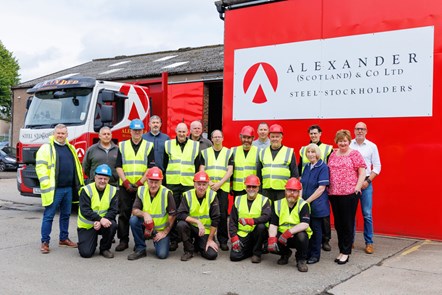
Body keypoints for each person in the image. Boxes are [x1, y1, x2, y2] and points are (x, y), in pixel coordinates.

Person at [36, 124, 84, 254]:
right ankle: (45, 242)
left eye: (63, 133)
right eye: (58, 133)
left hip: (68, 189)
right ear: (54, 133)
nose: (61, 135)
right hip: (54, 189)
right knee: (49, 216)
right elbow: (40, 168)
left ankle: (63, 238)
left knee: (66, 215)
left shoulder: (71, 148)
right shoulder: (46, 148)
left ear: (67, 134)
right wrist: (46, 183)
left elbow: (77, 167)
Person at [115, 119, 155, 252]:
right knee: (124, 213)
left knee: (141, 213)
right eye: (134, 130)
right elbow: (118, 166)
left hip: (141, 186)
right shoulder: (122, 145)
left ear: (143, 131)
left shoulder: (149, 145)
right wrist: (126, 182)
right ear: (130, 131)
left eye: (139, 130)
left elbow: (150, 167)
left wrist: (139, 183)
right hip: (125, 186)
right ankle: (123, 240)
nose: (137, 133)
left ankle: (140, 240)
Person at [328, 129, 366, 265]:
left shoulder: (355, 154)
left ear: (349, 141)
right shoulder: (332, 154)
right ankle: (341, 250)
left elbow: (362, 172)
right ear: (336, 141)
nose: (342, 143)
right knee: (338, 224)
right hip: (334, 194)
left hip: (349, 194)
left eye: (345, 140)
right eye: (340, 141)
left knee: (347, 223)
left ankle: (346, 252)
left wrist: (357, 187)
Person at [164, 122, 201, 251]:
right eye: (179, 131)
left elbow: (198, 165)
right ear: (176, 132)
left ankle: (189, 239)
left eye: (184, 132)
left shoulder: (195, 146)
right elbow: (165, 164)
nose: (181, 134)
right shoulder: (168, 145)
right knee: (172, 212)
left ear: (187, 132)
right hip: (173, 183)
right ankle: (173, 239)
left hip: (188, 183)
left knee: (189, 212)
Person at [127, 167, 176, 260]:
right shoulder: (141, 190)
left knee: (162, 254)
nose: (153, 185)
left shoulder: (166, 193)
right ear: (147, 181)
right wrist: (145, 214)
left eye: (156, 182)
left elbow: (172, 215)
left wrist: (164, 232)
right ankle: (140, 248)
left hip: (160, 230)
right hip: (146, 226)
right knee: (133, 220)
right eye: (151, 181)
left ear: (161, 182)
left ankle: (161, 241)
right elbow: (134, 210)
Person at [299, 124, 333, 252]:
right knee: (312, 219)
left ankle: (325, 240)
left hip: (320, 185)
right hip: (308, 183)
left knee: (323, 217)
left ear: (320, 134)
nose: (313, 135)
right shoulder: (303, 149)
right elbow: (299, 167)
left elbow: (330, 167)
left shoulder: (327, 148)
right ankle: (313, 242)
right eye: (311, 133)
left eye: (315, 133)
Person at [267, 178, 312, 272]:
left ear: (299, 192)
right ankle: (285, 254)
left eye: (294, 191)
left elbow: (305, 224)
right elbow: (273, 224)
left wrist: (289, 232)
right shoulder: (277, 204)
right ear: (285, 191)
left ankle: (301, 260)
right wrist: (272, 238)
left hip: (296, 235)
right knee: (270, 240)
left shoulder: (303, 204)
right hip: (282, 236)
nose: (291, 193)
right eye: (289, 190)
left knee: (302, 236)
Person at [350, 122, 381, 254]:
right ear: (354, 131)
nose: (360, 131)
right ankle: (349, 241)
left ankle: (369, 242)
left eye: (362, 129)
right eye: (357, 129)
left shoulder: (372, 146)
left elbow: (378, 166)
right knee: (350, 214)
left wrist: (367, 181)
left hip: (366, 184)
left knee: (367, 214)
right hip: (351, 183)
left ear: (366, 131)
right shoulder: (349, 144)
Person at [200, 130, 233, 251]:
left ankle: (223, 240)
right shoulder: (205, 153)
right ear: (211, 139)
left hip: (222, 187)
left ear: (223, 138)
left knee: (223, 214)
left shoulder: (229, 152)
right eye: (215, 137)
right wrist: (210, 183)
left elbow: (230, 171)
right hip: (208, 188)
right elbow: (202, 169)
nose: (217, 139)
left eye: (219, 137)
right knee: (209, 213)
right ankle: (210, 237)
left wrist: (219, 184)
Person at [176, 171, 220, 261]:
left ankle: (198, 244)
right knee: (181, 225)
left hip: (205, 231)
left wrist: (210, 239)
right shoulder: (188, 195)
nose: (201, 187)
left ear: (208, 185)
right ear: (194, 184)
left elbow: (216, 219)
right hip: (192, 227)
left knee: (212, 255)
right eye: (199, 184)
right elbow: (180, 214)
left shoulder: (212, 196)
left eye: (204, 184)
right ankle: (189, 251)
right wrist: (197, 222)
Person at [77, 164, 118, 258]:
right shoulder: (86, 190)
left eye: (105, 179)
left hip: (103, 223)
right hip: (87, 225)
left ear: (108, 179)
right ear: (95, 177)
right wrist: (100, 219)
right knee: (86, 253)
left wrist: (103, 220)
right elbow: (85, 210)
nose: (102, 181)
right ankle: (88, 242)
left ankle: (104, 248)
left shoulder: (113, 190)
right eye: (100, 178)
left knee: (113, 225)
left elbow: (114, 210)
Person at [229, 175, 271, 263]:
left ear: (258, 188)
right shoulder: (238, 199)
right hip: (243, 234)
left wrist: (252, 221)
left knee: (261, 227)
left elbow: (266, 216)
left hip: (257, 233)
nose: (251, 189)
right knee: (234, 257)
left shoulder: (264, 200)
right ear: (245, 187)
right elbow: (232, 220)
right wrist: (234, 237)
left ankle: (256, 254)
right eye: (249, 186)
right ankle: (252, 249)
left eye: (254, 186)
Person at [300, 144, 330, 264]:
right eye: (308, 152)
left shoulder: (323, 167)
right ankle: (307, 253)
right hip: (306, 203)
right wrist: (301, 199)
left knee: (316, 230)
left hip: (317, 204)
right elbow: (302, 184)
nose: (311, 154)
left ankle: (315, 255)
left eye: (313, 152)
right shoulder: (306, 166)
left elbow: (321, 188)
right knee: (307, 228)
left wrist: (307, 201)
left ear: (317, 153)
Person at [258, 124, 299, 203]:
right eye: (273, 137)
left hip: (283, 191)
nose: (275, 139)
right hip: (266, 191)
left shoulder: (289, 152)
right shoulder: (262, 152)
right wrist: (259, 192)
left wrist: (292, 192)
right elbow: (259, 174)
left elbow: (294, 175)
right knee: (267, 214)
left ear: (281, 138)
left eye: (277, 137)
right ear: (269, 137)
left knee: (281, 214)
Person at [231, 126, 259, 197]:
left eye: (249, 138)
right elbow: (230, 170)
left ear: (253, 138)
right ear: (240, 137)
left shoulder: (259, 152)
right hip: (238, 189)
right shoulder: (233, 151)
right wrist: (230, 185)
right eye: (244, 137)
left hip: (252, 188)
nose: (246, 140)